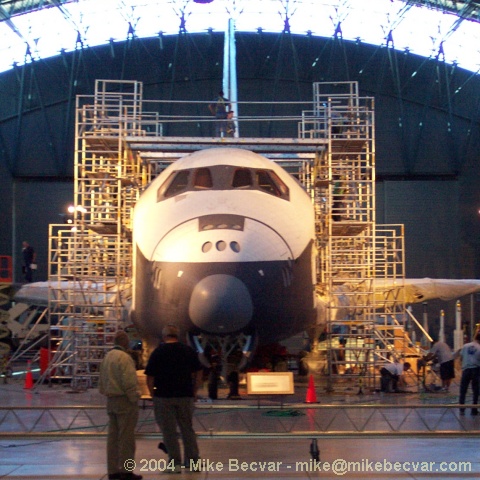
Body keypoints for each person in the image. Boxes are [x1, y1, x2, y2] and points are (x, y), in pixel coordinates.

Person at [145, 325, 203, 473]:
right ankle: (193, 461)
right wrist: (195, 391)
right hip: (185, 396)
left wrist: (153, 394)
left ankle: (175, 463)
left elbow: (150, 377)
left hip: (164, 397)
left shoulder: (158, 352)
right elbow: (199, 372)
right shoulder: (188, 351)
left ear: (164, 336)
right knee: (187, 429)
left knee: (169, 431)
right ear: (178, 335)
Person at [99, 331, 142, 480]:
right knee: (126, 439)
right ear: (125, 342)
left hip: (111, 401)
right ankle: (126, 471)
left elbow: (101, 381)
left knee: (113, 438)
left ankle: (112, 470)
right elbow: (129, 381)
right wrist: (135, 397)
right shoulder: (125, 358)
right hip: (125, 401)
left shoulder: (107, 357)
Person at [456, 332, 480, 415]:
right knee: (475, 390)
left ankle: (461, 408)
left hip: (466, 369)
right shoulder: (479, 347)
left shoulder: (465, 346)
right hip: (476, 369)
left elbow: (461, 357)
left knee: (463, 390)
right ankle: (474, 409)